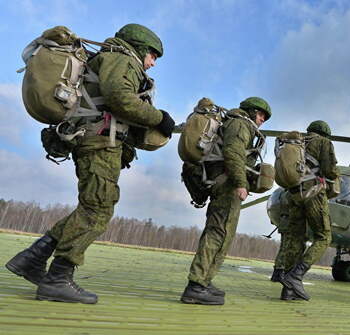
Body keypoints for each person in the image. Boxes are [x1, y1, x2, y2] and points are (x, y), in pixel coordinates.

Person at [5, 24, 174, 304]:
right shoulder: (123, 59)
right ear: (140, 48)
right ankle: (57, 278)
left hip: (92, 139)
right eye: (153, 55)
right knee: (97, 210)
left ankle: (32, 259)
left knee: (91, 207)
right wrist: (159, 118)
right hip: (98, 142)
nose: (153, 62)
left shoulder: (108, 58)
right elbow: (120, 98)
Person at [181, 97, 271, 305]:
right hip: (228, 184)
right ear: (251, 111)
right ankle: (195, 285)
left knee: (222, 233)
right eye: (260, 115)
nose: (262, 120)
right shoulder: (241, 124)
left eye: (265, 118)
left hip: (222, 182)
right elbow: (233, 152)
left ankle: (204, 280)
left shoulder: (235, 122)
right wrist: (241, 182)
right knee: (217, 233)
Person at [279, 120, 339, 301]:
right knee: (324, 237)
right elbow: (330, 171)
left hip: (294, 194)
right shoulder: (324, 143)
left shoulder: (298, 143)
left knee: (296, 238)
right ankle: (296, 276)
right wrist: (335, 174)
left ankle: (288, 290)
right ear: (325, 134)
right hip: (313, 193)